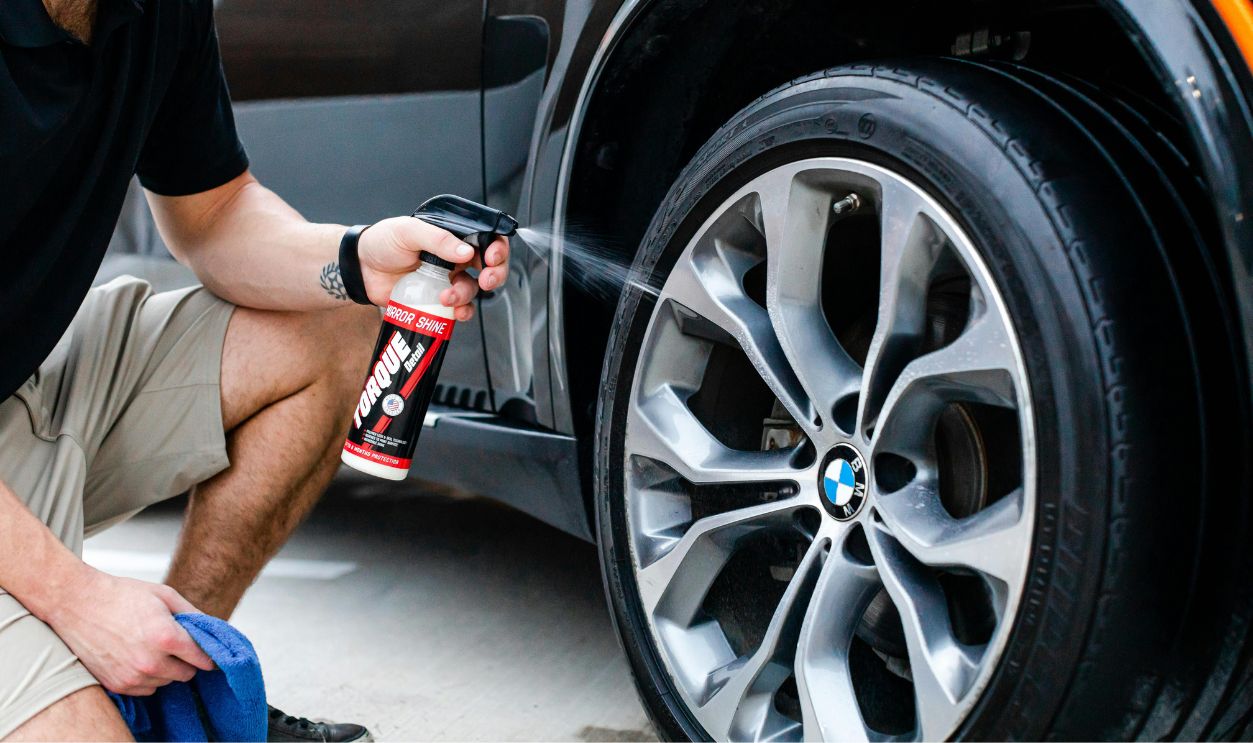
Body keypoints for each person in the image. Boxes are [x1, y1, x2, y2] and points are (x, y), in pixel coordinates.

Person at [0, 0, 511, 740]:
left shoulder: (153, 10)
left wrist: (356, 259)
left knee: (334, 323)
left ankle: (174, 699)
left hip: (32, 382)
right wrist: (77, 601)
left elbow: (214, 212)